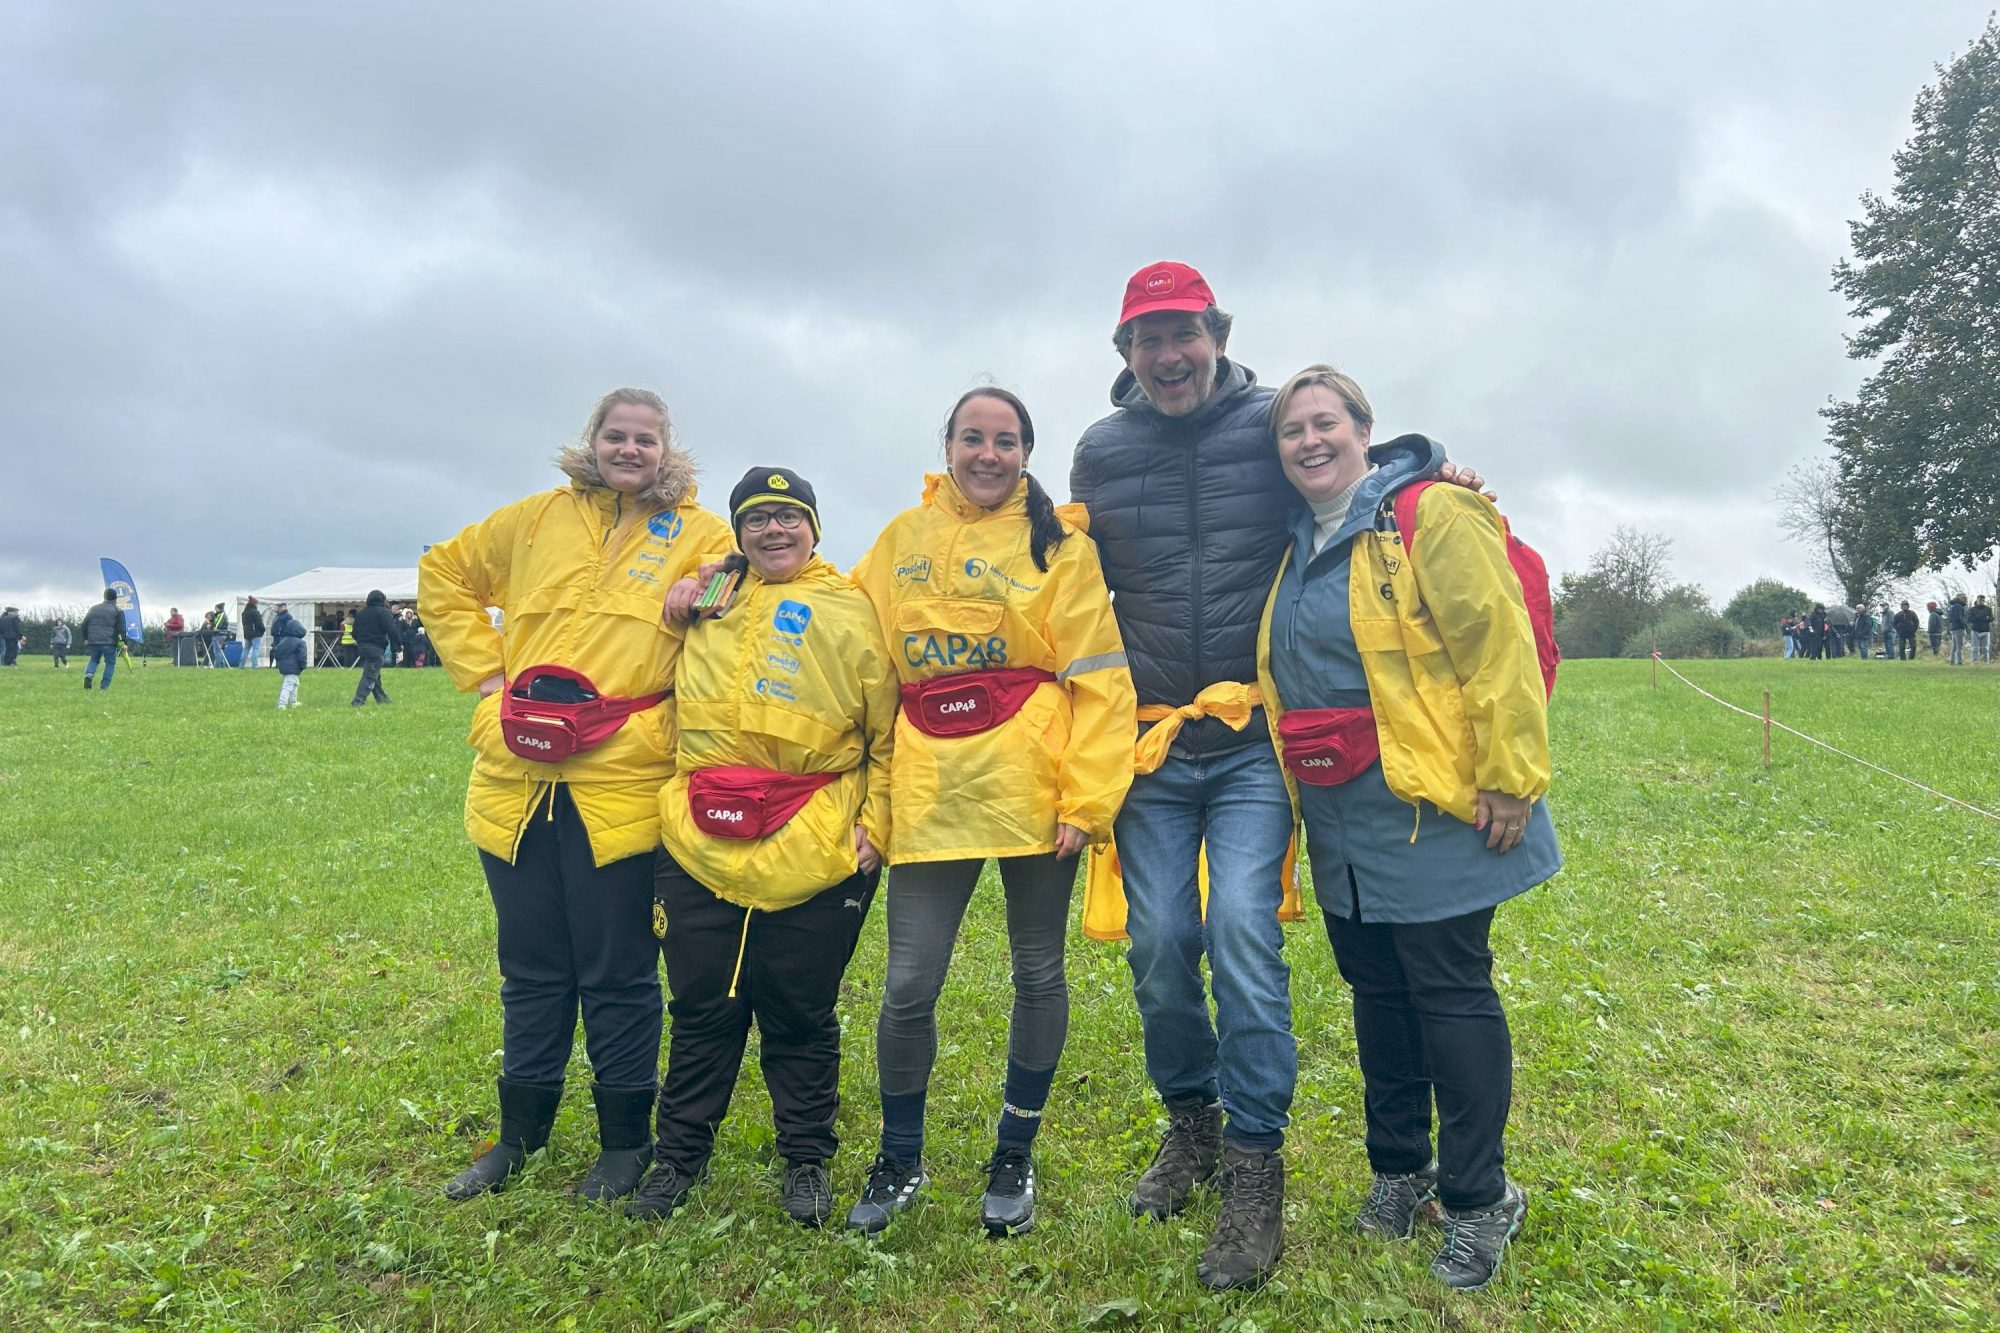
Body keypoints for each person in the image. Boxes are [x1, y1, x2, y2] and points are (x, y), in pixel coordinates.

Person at [1067, 261, 1487, 1290]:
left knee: (1244, 935)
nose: (1167, 356)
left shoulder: (1266, 423)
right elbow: (1059, 564)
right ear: (1124, 355)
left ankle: (1255, 1165)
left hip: (1257, 741)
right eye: (1145, 340)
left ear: (1216, 333)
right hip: (1154, 748)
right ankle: (1191, 1124)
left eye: (1183, 334)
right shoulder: (1098, 449)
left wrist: (1437, 474)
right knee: (1162, 940)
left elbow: (1351, 467)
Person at [1258, 365, 1555, 1294]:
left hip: (1440, 806)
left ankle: (1480, 1198)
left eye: (1325, 423)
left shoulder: (1430, 513)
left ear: (1364, 429)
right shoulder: (1295, 540)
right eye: (1292, 430)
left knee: (1449, 993)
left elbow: (1496, 644)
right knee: (1377, 994)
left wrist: (1510, 778)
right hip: (1344, 814)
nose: (1310, 441)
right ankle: (1401, 1171)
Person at [419, 386, 734, 1204]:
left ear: (668, 451)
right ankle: (518, 1137)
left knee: (620, 972)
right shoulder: (532, 519)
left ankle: (626, 1143)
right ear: (592, 439)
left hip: (620, 781)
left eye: (646, 439)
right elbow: (444, 571)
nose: (630, 450)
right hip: (515, 778)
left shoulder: (701, 530)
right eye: (616, 435)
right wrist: (487, 674)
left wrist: (707, 583)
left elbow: (738, 587)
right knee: (529, 968)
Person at [844, 388, 1135, 1238]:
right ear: (947, 444)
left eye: (1005, 441)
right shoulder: (901, 538)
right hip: (931, 786)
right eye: (973, 437)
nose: (987, 454)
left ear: (1026, 452)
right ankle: (901, 1157)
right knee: (907, 985)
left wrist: (1087, 799)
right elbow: (850, 630)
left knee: (1037, 972)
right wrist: (730, 583)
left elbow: (1101, 679)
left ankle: (1015, 1151)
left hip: (1033, 791)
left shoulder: (1060, 546)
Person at [627, 468, 896, 1228]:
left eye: (788, 517)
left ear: (814, 526)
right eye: (757, 520)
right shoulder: (711, 595)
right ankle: (679, 1156)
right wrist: (688, 583)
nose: (774, 531)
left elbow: (887, 731)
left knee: (800, 1011)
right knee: (701, 1007)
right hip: (698, 836)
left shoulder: (852, 609)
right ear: (737, 533)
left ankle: (806, 1158)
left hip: (813, 839)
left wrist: (876, 823)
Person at [350, 590, 397, 706]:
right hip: (376, 647)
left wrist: (361, 641)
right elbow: (391, 630)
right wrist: (398, 645)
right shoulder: (383, 612)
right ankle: (358, 700)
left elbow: (354, 632)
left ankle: (383, 699)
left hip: (362, 647)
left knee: (373, 673)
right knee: (370, 675)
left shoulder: (361, 613)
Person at [81, 589, 123, 691]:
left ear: (104, 597)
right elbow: (121, 629)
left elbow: (84, 624)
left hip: (93, 640)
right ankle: (104, 687)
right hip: (109, 641)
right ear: (115, 599)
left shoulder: (94, 609)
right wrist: (124, 643)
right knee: (110, 663)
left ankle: (89, 674)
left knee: (94, 660)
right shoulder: (118, 611)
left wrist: (86, 638)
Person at [271, 603, 308, 708]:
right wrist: (303, 665)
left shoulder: (283, 641)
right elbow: (302, 656)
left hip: (284, 667)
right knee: (287, 686)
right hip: (294, 668)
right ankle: (282, 704)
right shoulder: (300, 643)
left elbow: (277, 652)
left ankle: (293, 702)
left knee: (295, 683)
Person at [241, 596, 267, 670]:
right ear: (254, 604)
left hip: (247, 634)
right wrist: (263, 630)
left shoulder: (244, 612)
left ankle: (241, 665)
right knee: (256, 649)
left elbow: (243, 623)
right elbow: (260, 623)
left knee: (246, 649)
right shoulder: (255, 612)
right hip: (255, 634)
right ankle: (255, 666)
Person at [1946, 594, 1969, 665]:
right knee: (1960, 646)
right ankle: (1959, 661)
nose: (1966, 600)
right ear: (1960, 599)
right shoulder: (1958, 606)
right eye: (1965, 598)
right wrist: (1965, 625)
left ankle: (1952, 661)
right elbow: (1959, 617)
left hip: (1954, 628)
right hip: (1959, 628)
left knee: (1955, 646)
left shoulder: (1953, 606)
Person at [1970, 595, 1993, 663]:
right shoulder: (1972, 609)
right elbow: (1970, 619)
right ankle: (1974, 663)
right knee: (1975, 648)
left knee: (1985, 648)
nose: (1981, 602)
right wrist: (1983, 617)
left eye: (1983, 600)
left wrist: (1987, 618)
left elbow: (1991, 618)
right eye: (1980, 600)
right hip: (1975, 630)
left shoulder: (1988, 609)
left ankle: (1986, 663)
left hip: (1985, 631)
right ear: (1977, 600)